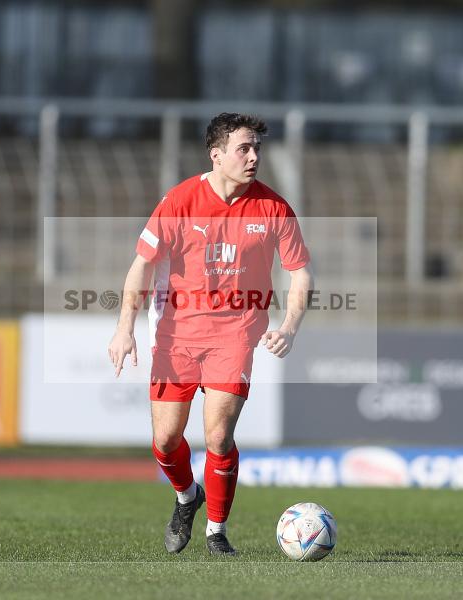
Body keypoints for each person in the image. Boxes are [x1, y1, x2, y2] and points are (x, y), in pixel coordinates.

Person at [108, 113, 313, 556]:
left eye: (257, 147)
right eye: (244, 148)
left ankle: (216, 532)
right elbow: (141, 264)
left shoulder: (274, 207)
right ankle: (187, 496)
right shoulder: (181, 200)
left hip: (236, 333)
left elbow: (301, 274)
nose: (254, 156)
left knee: (219, 436)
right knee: (165, 440)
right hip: (176, 332)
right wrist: (124, 328)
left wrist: (290, 327)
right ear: (216, 155)